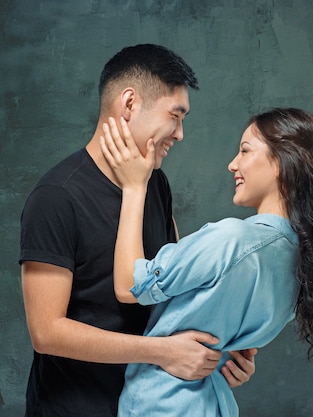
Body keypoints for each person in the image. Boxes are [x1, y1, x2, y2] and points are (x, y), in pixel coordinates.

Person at [19, 44, 256, 417]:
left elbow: (173, 292)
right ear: (129, 104)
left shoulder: (155, 184)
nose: (180, 134)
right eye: (174, 116)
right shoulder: (56, 197)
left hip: (150, 405)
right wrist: (164, 352)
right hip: (74, 408)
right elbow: (46, 332)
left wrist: (219, 358)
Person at [99, 107, 313, 416]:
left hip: (163, 405)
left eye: (245, 151)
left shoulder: (232, 240)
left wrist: (134, 188)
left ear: (281, 163)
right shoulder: (303, 265)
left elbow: (131, 285)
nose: (232, 164)